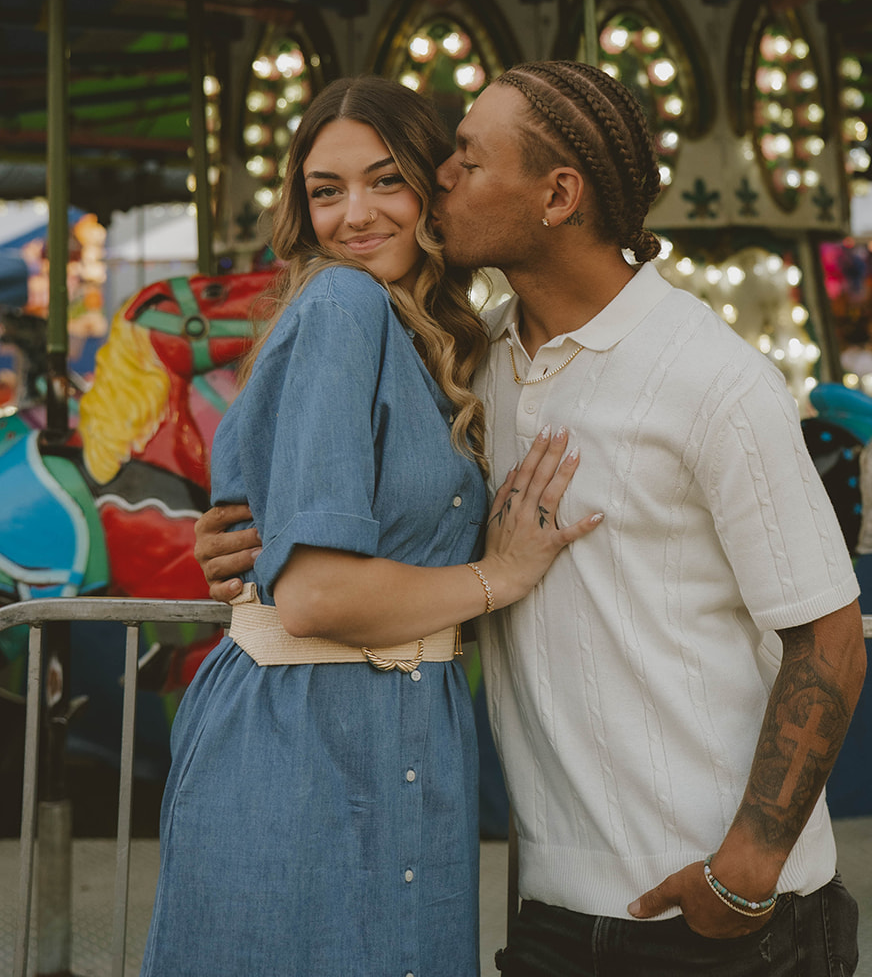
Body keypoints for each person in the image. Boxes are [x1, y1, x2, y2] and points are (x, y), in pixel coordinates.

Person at [199, 61, 867, 977]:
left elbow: (828, 636)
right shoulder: (480, 367)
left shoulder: (713, 377)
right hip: (552, 905)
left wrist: (746, 871)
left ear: (557, 195)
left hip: (713, 904)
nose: (441, 178)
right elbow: (398, 536)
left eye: (465, 162)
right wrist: (254, 527)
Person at [141, 77, 602, 977]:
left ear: (434, 187)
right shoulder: (343, 306)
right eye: (325, 189)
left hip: (397, 731)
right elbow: (316, 593)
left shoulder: (433, 334)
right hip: (302, 739)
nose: (354, 215)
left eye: (385, 180)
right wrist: (498, 577)